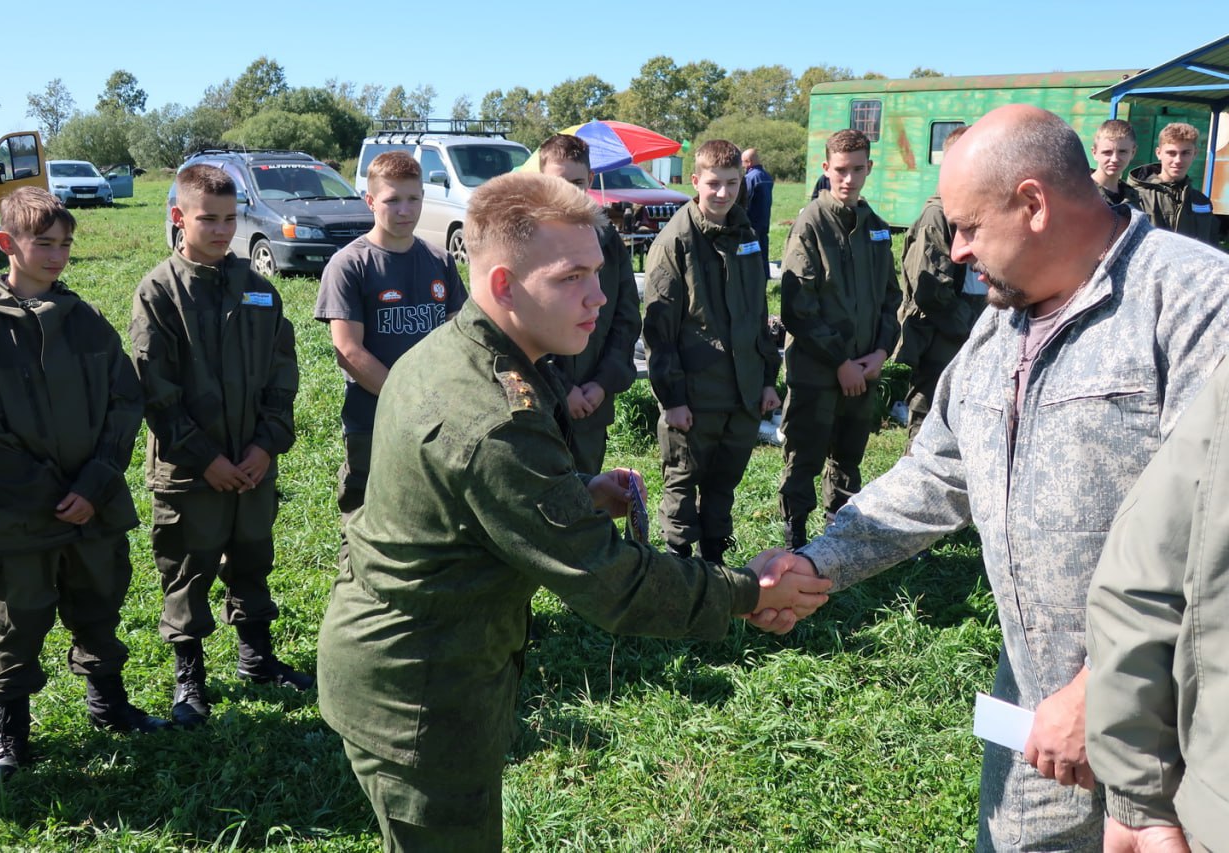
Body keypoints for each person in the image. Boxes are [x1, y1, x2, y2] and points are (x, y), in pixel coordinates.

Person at [316, 171, 832, 852]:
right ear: (503, 285)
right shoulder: (492, 415)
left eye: (600, 272)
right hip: (421, 698)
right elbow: (612, 582)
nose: (598, 296)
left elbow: (467, 502)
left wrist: (576, 493)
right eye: (572, 277)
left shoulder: (456, 351)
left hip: (420, 663)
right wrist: (747, 590)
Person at [758, 105, 1229, 849]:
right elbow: (937, 473)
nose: (959, 250)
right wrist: (815, 561)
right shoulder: (999, 322)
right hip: (1036, 705)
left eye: (970, 226)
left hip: (1176, 727)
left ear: (1034, 204)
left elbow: (1212, 543)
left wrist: (1102, 689)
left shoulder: (1197, 303)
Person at [0, 187, 168, 781]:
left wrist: (96, 482)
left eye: (65, 243)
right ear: (6, 244)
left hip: (94, 505)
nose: (56, 255)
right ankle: (11, 735)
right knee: (17, 620)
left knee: (99, 604)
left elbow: (126, 401)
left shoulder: (87, 321)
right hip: (19, 514)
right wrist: (50, 494)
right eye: (43, 243)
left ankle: (109, 704)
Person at [130, 164, 311, 729]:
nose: (221, 230)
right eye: (208, 218)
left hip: (253, 463)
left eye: (231, 218)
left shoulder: (258, 290)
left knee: (253, 554)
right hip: (191, 471)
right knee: (189, 565)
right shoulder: (159, 291)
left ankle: (256, 657)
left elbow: (284, 373)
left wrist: (265, 445)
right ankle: (191, 678)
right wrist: (204, 458)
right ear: (180, 217)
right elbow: (153, 391)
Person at [1086, 356, 1229, 853]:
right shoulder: (993, 335)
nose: (959, 270)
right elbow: (1146, 577)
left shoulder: (1190, 296)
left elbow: (1143, 577)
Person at [643, 139, 781, 565]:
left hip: (741, 392)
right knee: (682, 483)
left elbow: (759, 314)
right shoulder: (675, 243)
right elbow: (659, 334)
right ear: (695, 181)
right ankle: (679, 565)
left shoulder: (747, 234)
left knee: (724, 484)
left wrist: (768, 380)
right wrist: (674, 399)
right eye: (714, 184)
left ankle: (716, 562)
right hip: (695, 396)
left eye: (733, 184)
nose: (723, 193)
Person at [314, 151, 467, 521]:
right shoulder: (350, 264)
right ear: (370, 201)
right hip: (374, 419)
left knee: (430, 517)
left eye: (413, 198)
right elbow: (348, 350)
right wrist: (407, 398)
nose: (404, 210)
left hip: (437, 419)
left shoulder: (440, 261)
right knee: (366, 518)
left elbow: (462, 339)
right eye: (392, 200)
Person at [778, 129, 901, 548]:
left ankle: (840, 534)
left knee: (848, 457)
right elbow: (797, 307)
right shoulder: (810, 224)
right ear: (826, 168)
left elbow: (891, 298)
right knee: (804, 458)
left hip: (865, 367)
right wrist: (839, 362)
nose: (849, 179)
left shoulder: (878, 228)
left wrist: (881, 352)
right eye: (841, 170)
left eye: (858, 169)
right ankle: (795, 537)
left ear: (869, 168)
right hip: (817, 371)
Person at [537, 133, 640, 474]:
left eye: (577, 182)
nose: (568, 193)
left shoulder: (608, 242)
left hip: (593, 405)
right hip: (539, 403)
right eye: (559, 183)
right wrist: (562, 389)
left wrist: (602, 384)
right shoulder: (525, 243)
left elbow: (625, 320)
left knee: (587, 499)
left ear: (591, 180)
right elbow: (519, 328)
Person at [895, 125, 985, 451]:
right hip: (941, 338)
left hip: (968, 329)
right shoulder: (938, 214)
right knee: (928, 422)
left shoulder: (971, 208)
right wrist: (973, 327)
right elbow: (930, 289)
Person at [1129, 122, 1220, 246]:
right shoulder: (1134, 196)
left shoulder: (1202, 202)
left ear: (1195, 154)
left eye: (1185, 153)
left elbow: (1212, 249)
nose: (1178, 160)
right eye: (1171, 153)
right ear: (1158, 153)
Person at [1089, 120, 1141, 208]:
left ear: (1133, 153)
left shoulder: (1134, 198)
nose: (1115, 159)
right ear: (1094, 153)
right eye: (1107, 152)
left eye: (1122, 151)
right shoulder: (1080, 193)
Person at [741, 147, 775, 279]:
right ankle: (764, 278)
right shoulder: (767, 176)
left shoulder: (749, 178)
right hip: (764, 221)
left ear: (749, 162)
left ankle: (751, 282)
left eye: (743, 162)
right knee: (763, 255)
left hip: (751, 223)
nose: (742, 165)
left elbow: (745, 201)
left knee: (749, 256)